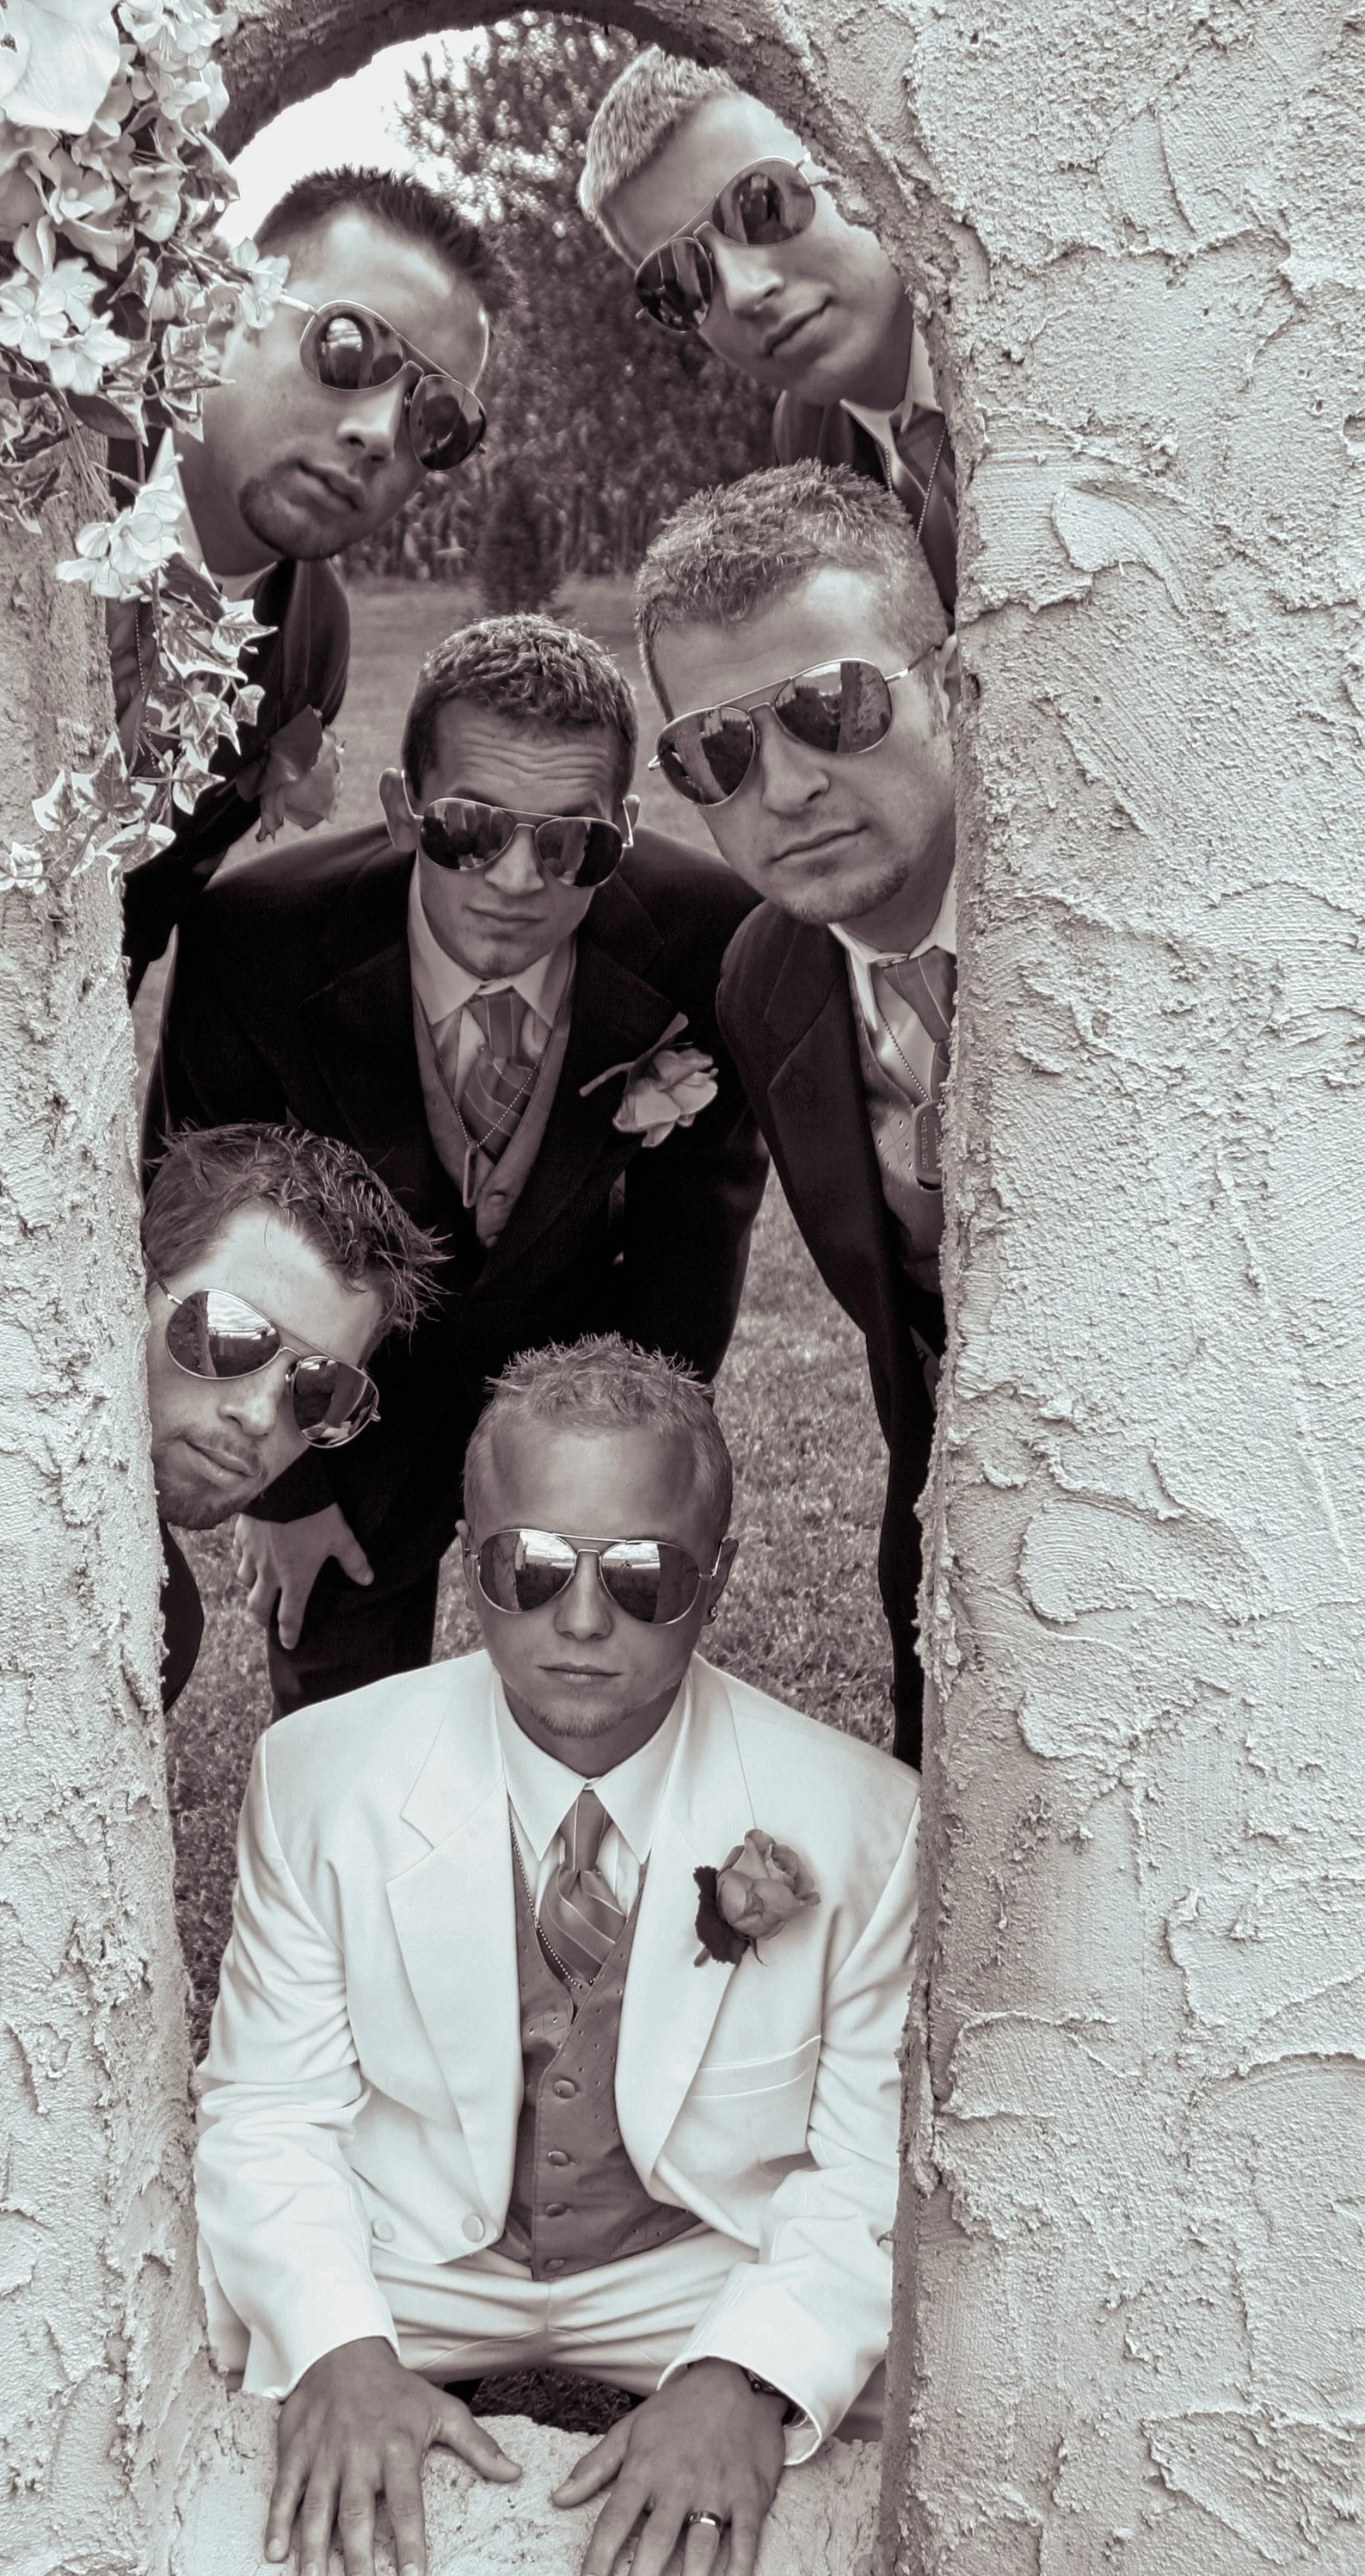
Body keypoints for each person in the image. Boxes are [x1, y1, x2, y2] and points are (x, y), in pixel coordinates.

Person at [195, 1336, 918, 2576]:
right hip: (413, 2246)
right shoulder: (325, 1778)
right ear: (469, 1555)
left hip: (693, 2257)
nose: (581, 1622)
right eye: (527, 1569)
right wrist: (339, 2345)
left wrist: (749, 2376)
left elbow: (867, 2166)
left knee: (923, 2413)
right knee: (190, 2354)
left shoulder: (859, 1823)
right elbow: (268, 2107)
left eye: (643, 1575)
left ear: (720, 1578)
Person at [148, 613, 768, 1715]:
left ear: (622, 829)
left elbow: (696, 1236)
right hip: (332, 1408)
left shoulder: (705, 938)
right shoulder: (255, 938)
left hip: (573, 1352)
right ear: (401, 811)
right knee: (335, 1689)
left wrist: (612, 1462)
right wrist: (286, 1501)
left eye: (570, 843)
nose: (519, 879)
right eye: (471, 828)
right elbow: (191, 1227)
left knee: (580, 1684)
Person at [634, 462, 956, 1766]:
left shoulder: (1108, 919)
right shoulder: (761, 982)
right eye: (717, 748)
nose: (784, 785)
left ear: (954, 684)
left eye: (832, 706)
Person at [117, 166, 507, 999]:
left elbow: (134, 925)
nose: (375, 432)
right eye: (349, 346)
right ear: (230, 312)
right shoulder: (44, 472)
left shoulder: (311, 640)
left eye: (434, 420)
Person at [578, 52, 956, 613]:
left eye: (761, 207)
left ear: (853, 161)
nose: (744, 291)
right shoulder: (805, 439)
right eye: (682, 280)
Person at [141, 1122, 442, 1709]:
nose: (258, 1415)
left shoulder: (162, 1628)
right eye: (227, 1336)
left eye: (320, 1388)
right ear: (134, 1284)